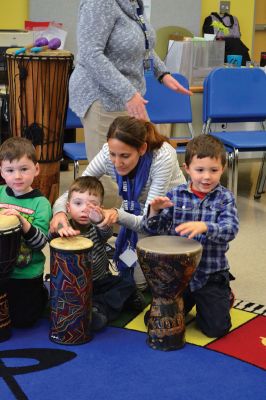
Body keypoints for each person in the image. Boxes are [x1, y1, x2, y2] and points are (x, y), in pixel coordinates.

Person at [50, 116, 186, 289]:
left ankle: (164, 261)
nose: (117, 162)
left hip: (167, 216)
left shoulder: (162, 157)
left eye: (125, 156)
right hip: (134, 210)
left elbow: (147, 222)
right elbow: (72, 191)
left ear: (142, 149)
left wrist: (117, 214)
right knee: (135, 283)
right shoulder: (108, 153)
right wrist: (60, 211)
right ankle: (135, 261)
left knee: (160, 282)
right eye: (113, 154)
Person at [70, 0, 192, 163]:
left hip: (128, 96)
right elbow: (90, 54)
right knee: (110, 171)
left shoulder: (132, 4)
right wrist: (128, 93)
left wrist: (162, 73)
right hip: (101, 97)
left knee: (146, 158)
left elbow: (143, 46)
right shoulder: (100, 3)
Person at [142, 135, 239, 338]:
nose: (206, 177)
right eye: (199, 170)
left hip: (209, 274)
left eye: (213, 170)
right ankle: (191, 300)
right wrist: (154, 211)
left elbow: (230, 230)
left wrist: (205, 226)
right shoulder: (175, 195)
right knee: (152, 321)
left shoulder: (225, 198)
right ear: (187, 168)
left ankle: (223, 296)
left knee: (215, 329)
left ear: (223, 168)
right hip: (177, 276)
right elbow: (154, 229)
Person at [48, 176, 143, 331]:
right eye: (78, 203)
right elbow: (49, 238)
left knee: (126, 282)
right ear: (68, 207)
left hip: (100, 281)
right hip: (73, 287)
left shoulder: (96, 227)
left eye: (92, 205)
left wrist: (100, 220)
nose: (85, 208)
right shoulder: (64, 227)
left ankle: (99, 308)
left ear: (100, 207)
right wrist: (58, 231)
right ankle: (110, 305)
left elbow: (106, 234)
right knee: (61, 298)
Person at [0, 137, 52, 328]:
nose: (17, 176)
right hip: (2, 272)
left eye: (24, 169)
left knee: (23, 321)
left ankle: (41, 294)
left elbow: (40, 244)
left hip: (26, 274)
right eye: (10, 170)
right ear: (2, 172)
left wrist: (21, 221)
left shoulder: (41, 204)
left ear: (36, 169)